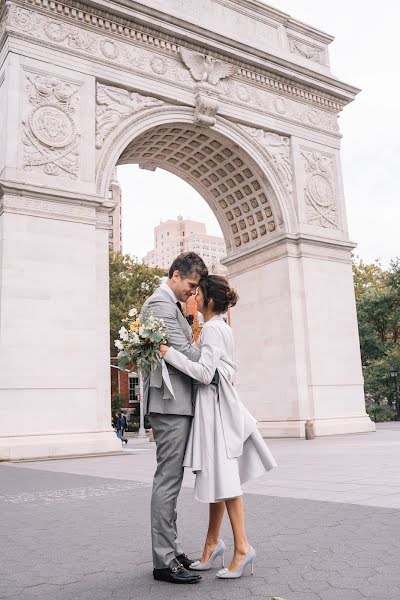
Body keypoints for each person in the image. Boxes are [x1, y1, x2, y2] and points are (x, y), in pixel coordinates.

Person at [160, 275, 277, 579]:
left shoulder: (212, 328)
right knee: (219, 479)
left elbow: (203, 373)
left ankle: (242, 547)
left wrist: (168, 354)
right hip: (215, 408)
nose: (192, 298)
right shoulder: (219, 326)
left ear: (209, 300)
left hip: (217, 411)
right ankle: (212, 543)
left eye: (197, 294)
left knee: (226, 481)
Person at [141, 252, 208, 585]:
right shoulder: (161, 306)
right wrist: (213, 347)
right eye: (191, 286)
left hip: (176, 403)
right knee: (167, 480)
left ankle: (170, 550)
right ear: (177, 274)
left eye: (196, 290)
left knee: (172, 480)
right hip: (170, 405)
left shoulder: (170, 306)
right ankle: (164, 562)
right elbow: (188, 355)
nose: (193, 294)